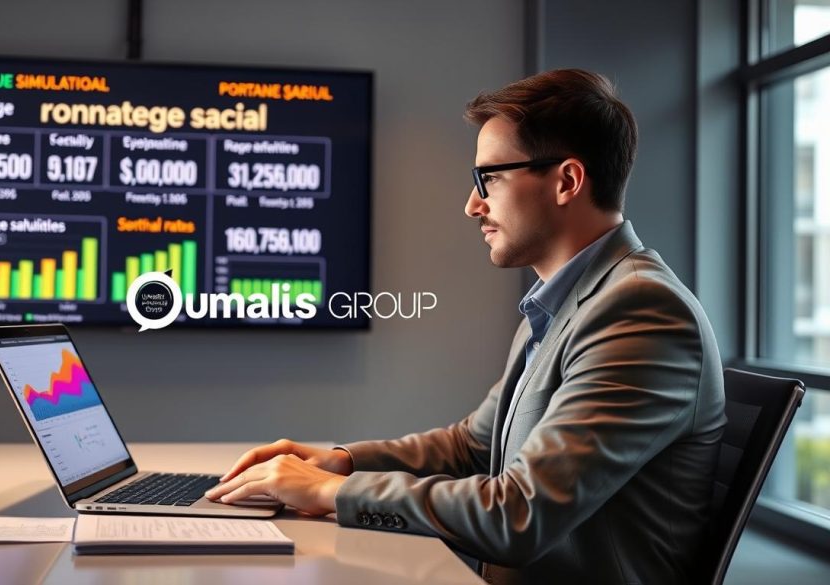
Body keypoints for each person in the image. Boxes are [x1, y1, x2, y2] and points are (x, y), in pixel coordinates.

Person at [205, 69, 726, 584]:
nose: (473, 204)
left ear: (566, 181)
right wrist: (339, 462)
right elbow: (472, 447)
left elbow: (518, 515)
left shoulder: (639, 310)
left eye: (490, 178)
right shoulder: (566, 301)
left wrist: (329, 494)